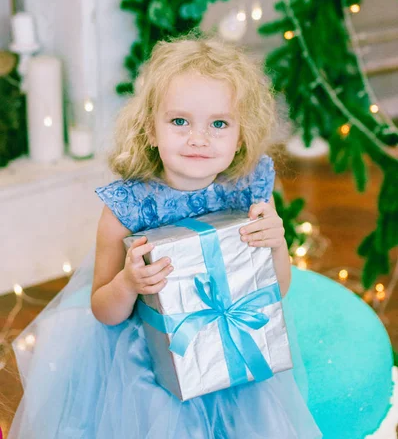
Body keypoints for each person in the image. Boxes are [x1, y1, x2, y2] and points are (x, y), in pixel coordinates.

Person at [9, 36, 322, 439]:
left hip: (233, 351)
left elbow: (274, 290)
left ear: (242, 134)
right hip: (149, 362)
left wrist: (276, 245)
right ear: (150, 131)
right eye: (179, 121)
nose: (198, 138)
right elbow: (104, 311)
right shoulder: (127, 206)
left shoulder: (248, 189)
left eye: (219, 123)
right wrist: (128, 283)